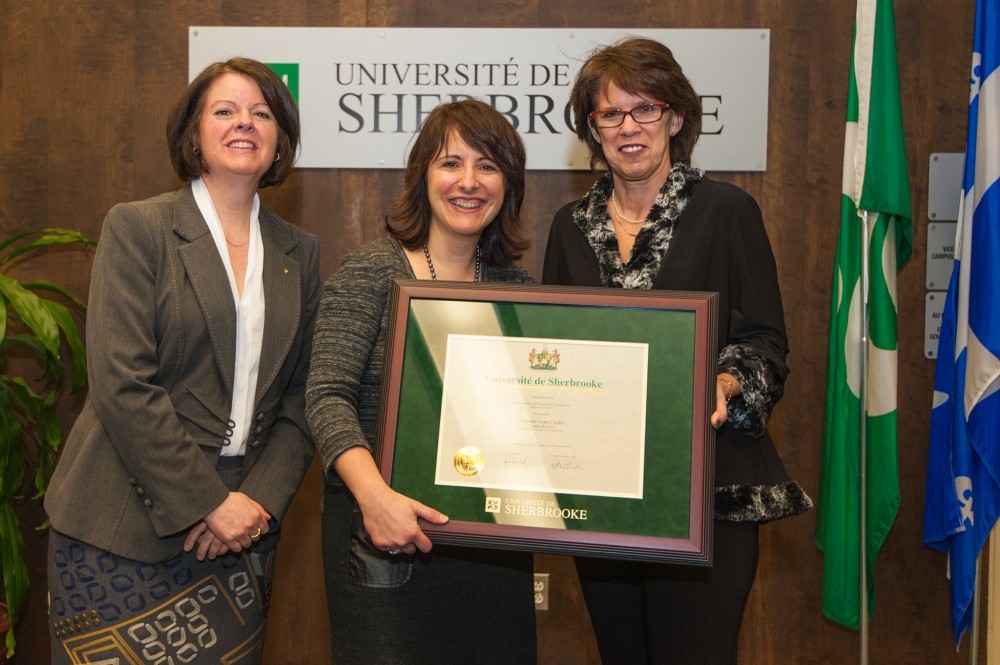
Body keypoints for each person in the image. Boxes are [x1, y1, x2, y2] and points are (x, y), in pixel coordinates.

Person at [542, 37, 813, 665]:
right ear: (592, 128)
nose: (628, 127)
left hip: (708, 491)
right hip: (602, 497)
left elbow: (767, 341)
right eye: (610, 114)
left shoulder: (727, 211)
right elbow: (553, 345)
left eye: (645, 109)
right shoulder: (569, 225)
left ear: (677, 118)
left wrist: (723, 382)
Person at [45, 57, 320, 664]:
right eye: (224, 110)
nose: (243, 122)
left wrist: (257, 504)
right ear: (194, 134)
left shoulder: (299, 252)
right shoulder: (139, 228)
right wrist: (206, 502)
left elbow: (304, 397)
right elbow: (122, 382)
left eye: (262, 112)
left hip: (243, 531)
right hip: (122, 524)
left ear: (280, 138)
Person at [305, 98, 537, 665]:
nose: (469, 182)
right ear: (422, 177)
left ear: (508, 184)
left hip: (494, 550)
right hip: (385, 535)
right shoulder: (370, 273)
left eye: (488, 166)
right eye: (450, 163)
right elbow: (326, 398)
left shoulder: (520, 287)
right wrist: (375, 498)